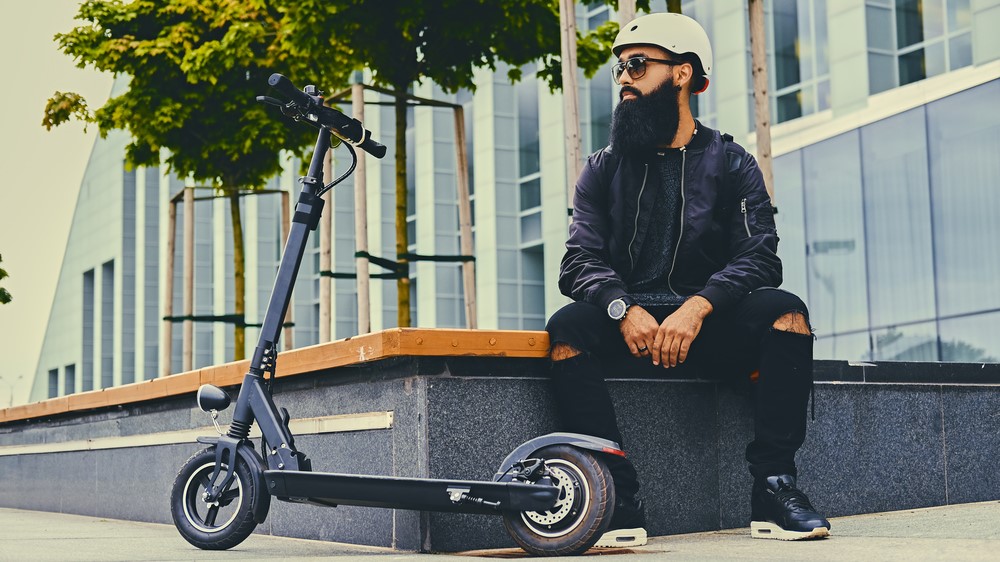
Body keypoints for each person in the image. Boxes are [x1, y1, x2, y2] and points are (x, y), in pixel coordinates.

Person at [546, 12, 831, 547]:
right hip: (630, 327)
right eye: (620, 69)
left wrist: (698, 307)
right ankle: (615, 497)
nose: (624, 79)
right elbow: (578, 261)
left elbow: (761, 258)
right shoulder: (602, 167)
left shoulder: (732, 162)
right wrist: (620, 308)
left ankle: (774, 488)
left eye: (637, 65)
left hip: (709, 326)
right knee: (566, 329)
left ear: (682, 73)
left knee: (787, 311)